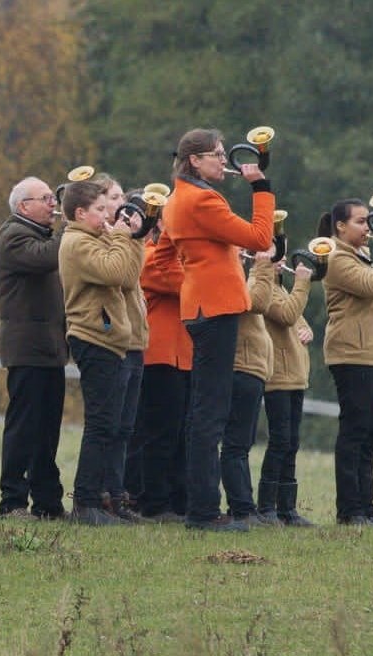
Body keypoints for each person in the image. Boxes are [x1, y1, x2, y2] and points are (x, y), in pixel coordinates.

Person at [162, 128, 275, 533]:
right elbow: (260, 236)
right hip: (216, 307)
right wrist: (261, 187)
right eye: (217, 155)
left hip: (201, 304)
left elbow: (176, 254)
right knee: (209, 413)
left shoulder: (177, 198)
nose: (223, 162)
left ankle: (203, 507)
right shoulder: (204, 199)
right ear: (194, 159)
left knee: (204, 411)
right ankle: (204, 512)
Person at [57, 180, 149, 525]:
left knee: (112, 425)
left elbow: (126, 276)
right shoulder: (78, 241)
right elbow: (113, 270)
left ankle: (104, 500)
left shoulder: (95, 239)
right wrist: (122, 236)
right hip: (94, 337)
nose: (106, 214)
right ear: (80, 213)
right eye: (99, 209)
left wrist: (133, 238)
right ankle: (86, 502)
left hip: (109, 338)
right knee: (100, 425)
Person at [319, 199, 373, 526]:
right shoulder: (336, 257)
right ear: (340, 226)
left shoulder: (360, 255)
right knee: (354, 432)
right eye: (360, 222)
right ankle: (349, 510)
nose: (367, 227)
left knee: (371, 432)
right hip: (351, 354)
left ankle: (366, 508)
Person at [0, 177, 68, 520]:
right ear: (24, 206)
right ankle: (12, 502)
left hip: (49, 348)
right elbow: (46, 257)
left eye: (54, 198)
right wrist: (72, 224)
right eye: (46, 199)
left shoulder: (38, 234)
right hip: (27, 349)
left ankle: (47, 501)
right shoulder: (13, 236)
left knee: (47, 429)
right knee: (24, 427)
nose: (53, 204)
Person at [128, 206, 192, 522]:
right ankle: (156, 502)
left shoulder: (178, 259)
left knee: (181, 434)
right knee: (161, 434)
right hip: (160, 354)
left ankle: (179, 501)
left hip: (184, 356)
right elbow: (185, 285)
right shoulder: (149, 256)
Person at [220, 251, 279, 525]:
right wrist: (264, 266)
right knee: (235, 444)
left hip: (252, 369)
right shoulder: (230, 280)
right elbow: (257, 301)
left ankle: (245, 506)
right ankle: (241, 508)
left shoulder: (242, 278)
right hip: (241, 368)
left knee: (243, 443)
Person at [258, 256, 317, 526]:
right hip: (278, 377)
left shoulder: (280, 287)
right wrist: (303, 283)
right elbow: (286, 314)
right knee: (280, 440)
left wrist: (307, 331)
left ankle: (287, 508)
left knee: (292, 442)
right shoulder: (264, 287)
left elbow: (298, 320)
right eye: (275, 255)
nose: (281, 261)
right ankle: (267, 506)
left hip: (295, 375)